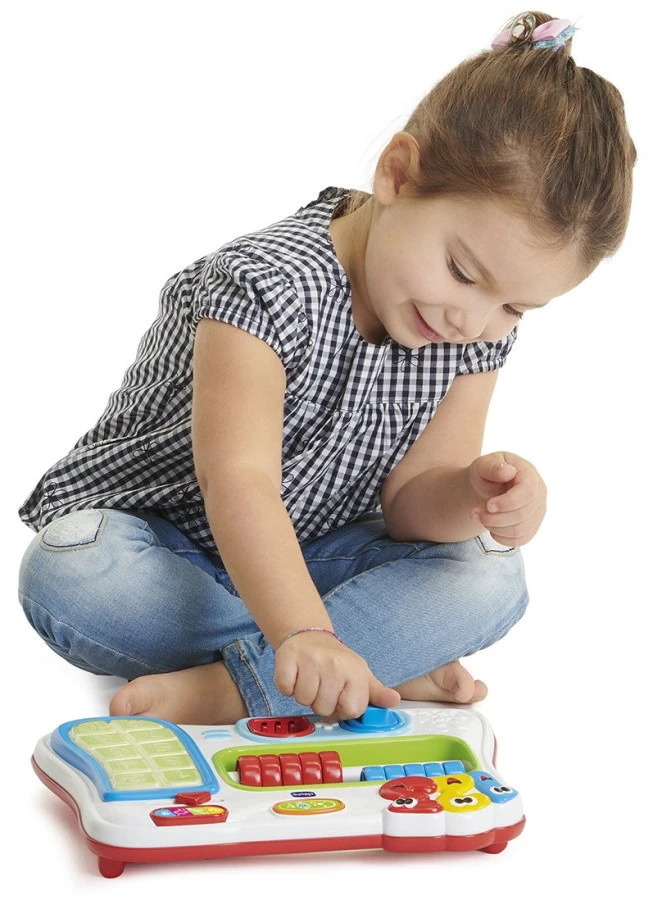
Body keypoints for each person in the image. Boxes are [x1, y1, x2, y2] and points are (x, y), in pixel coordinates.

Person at [17, 11, 636, 726]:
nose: (472, 321)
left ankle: (236, 688)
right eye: (464, 273)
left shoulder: (470, 332)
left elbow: (410, 506)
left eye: (515, 308)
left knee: (489, 577)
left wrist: (470, 495)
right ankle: (359, 654)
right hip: (168, 550)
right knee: (72, 571)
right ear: (397, 175)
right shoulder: (264, 284)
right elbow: (239, 481)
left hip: (313, 562)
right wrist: (306, 629)